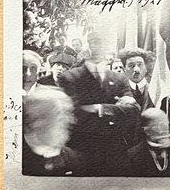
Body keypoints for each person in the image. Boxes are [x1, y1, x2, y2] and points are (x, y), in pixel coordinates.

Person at [56, 28, 140, 176]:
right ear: (88, 45)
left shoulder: (119, 78)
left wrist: (99, 108)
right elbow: (72, 112)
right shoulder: (70, 77)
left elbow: (133, 111)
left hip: (115, 151)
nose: (98, 47)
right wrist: (116, 109)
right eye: (94, 43)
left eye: (101, 43)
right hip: (82, 150)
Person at [21, 85, 85, 176]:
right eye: (60, 116)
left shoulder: (73, 158)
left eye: (69, 113)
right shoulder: (18, 158)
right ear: (38, 121)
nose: (71, 121)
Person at [123, 108, 170, 177]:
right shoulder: (134, 156)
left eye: (166, 123)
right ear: (146, 130)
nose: (164, 129)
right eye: (159, 125)